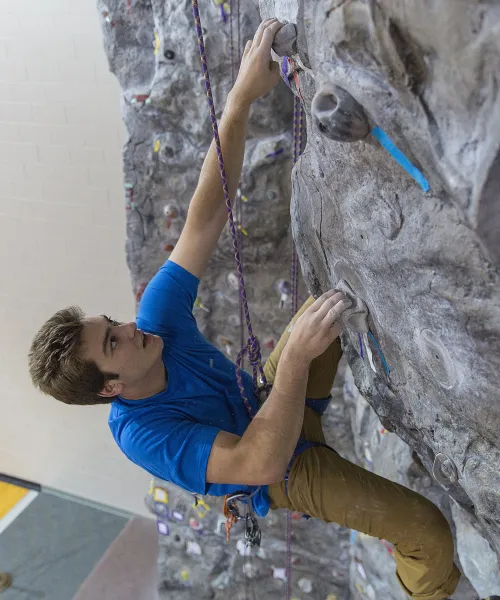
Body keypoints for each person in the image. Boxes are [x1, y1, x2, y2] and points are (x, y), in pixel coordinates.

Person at [29, 19, 462, 600]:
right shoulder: (143, 435)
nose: (128, 329)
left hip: (266, 402)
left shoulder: (155, 326)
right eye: (113, 343)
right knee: (426, 533)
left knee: (335, 295)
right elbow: (259, 461)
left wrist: (238, 100)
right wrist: (294, 366)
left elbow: (206, 216)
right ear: (110, 388)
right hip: (278, 473)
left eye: (113, 324)